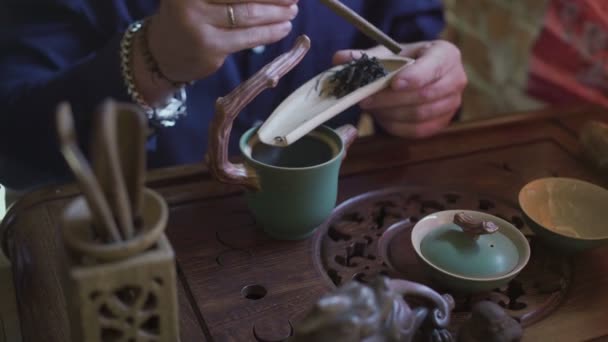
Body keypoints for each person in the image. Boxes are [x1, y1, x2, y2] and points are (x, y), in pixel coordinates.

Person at [0, 0, 467, 191]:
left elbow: (410, 42)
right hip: (142, 240)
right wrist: (148, 64)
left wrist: (427, 92)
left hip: (321, 233)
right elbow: (13, 143)